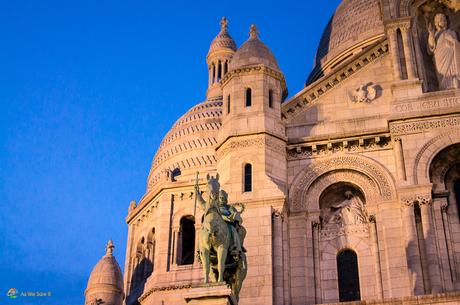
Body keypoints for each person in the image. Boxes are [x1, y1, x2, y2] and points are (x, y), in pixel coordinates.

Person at [428, 13, 460, 90]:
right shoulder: (435, 34)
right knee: (442, 73)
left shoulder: (451, 32)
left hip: (451, 56)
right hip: (440, 57)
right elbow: (431, 47)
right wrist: (431, 34)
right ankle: (444, 87)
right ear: (436, 23)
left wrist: (452, 41)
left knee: (452, 70)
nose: (443, 21)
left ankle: (455, 84)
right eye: (441, 20)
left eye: (444, 20)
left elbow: (456, 44)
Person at [218, 190, 245, 256]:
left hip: (228, 224)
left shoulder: (229, 208)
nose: (222, 199)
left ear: (226, 199)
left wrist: (236, 215)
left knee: (237, 230)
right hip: (218, 224)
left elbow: (238, 218)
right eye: (220, 198)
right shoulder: (216, 208)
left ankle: (236, 247)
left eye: (223, 198)